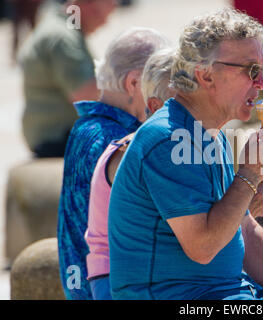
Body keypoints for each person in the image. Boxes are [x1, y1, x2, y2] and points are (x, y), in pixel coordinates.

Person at [108, 8, 263, 300]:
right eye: (250, 70)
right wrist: (249, 174)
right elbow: (202, 247)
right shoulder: (167, 138)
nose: (262, 83)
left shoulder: (211, 135)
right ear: (206, 75)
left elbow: (246, 233)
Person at [57, 27, 170, 300]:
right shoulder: (117, 140)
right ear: (134, 83)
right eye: (163, 83)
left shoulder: (88, 127)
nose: (171, 96)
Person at [84, 47, 176, 300]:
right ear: (155, 106)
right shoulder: (136, 151)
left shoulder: (169, 148)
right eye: (184, 103)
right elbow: (190, 234)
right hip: (119, 279)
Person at [18, 0, 116, 157]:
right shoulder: (63, 37)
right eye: (102, 14)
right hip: (57, 137)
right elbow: (84, 94)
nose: (105, 23)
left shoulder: (65, 27)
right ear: (87, 5)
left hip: (49, 133)